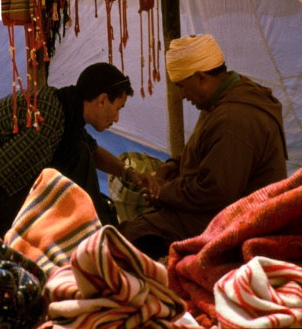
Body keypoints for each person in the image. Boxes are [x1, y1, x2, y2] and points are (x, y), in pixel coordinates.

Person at [120, 34, 288, 259]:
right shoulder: (224, 99)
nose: (181, 95)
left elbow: (214, 191)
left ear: (200, 78)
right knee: (129, 233)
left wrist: (162, 193)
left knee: (126, 241)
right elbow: (207, 153)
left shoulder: (233, 118)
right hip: (217, 210)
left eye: (182, 86)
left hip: (233, 222)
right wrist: (173, 166)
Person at [0, 62, 145, 235]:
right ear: (102, 100)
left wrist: (129, 173)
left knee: (79, 154)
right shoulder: (49, 121)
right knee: (69, 169)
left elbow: (94, 151)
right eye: (117, 109)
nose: (117, 118)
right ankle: (97, 234)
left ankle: (96, 229)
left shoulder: (65, 108)